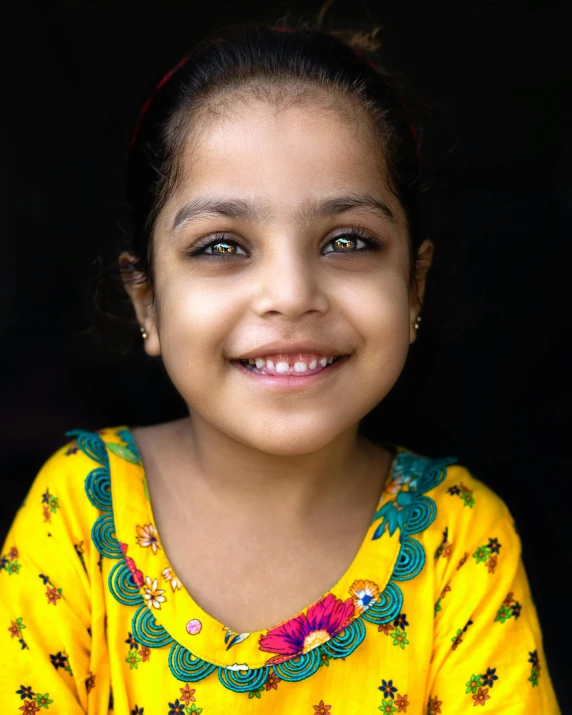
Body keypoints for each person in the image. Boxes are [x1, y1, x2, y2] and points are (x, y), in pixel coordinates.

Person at [0, 10, 560, 715]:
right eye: (222, 246)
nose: (291, 295)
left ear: (413, 286)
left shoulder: (457, 543)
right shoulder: (80, 517)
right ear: (146, 301)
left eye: (348, 241)